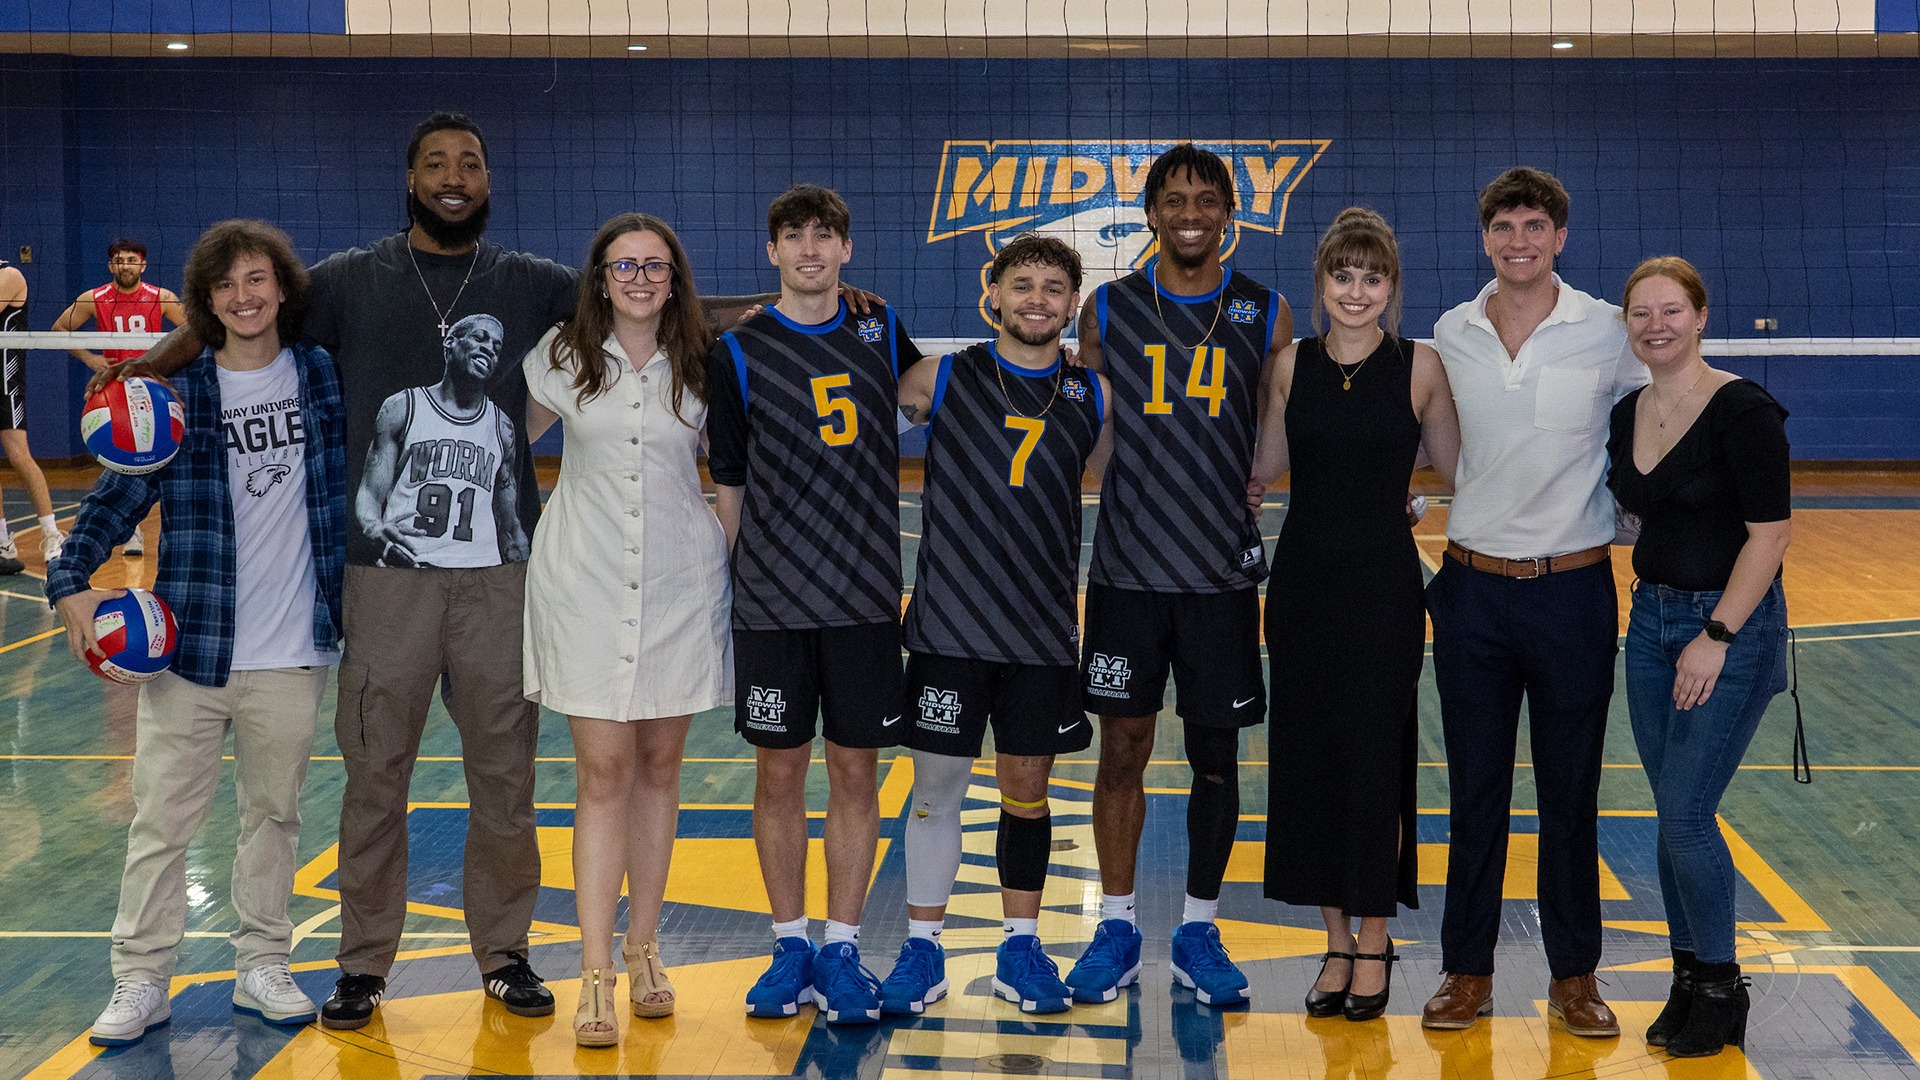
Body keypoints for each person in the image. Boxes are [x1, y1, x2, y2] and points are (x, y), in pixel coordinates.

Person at [104, 113, 573, 1031]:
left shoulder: (529, 281)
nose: (453, 176)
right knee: (376, 779)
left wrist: (783, 304)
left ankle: (505, 952)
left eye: (470, 163)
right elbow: (239, 311)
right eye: (435, 163)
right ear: (410, 179)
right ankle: (362, 964)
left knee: (505, 779)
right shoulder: (353, 279)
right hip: (383, 580)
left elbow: (648, 297)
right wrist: (151, 363)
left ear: (489, 180)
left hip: (499, 581)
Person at [45, 219, 345, 1048]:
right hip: (193, 649)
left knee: (274, 817)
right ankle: (141, 976)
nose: (243, 297)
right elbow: (117, 496)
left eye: (257, 279)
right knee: (161, 823)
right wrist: (69, 584)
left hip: (294, 649)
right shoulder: (179, 395)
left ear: (282, 288)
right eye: (225, 285)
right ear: (206, 301)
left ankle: (263, 963)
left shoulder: (321, 375)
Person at [1065, 143, 1292, 1009]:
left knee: (1215, 757)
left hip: (1220, 577)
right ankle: (1117, 926)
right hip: (1127, 573)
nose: (1189, 213)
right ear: (1151, 212)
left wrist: (1259, 478)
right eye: (1173, 198)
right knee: (1121, 747)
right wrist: (1124, 484)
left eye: (1205, 199)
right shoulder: (1109, 308)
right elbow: (1091, 423)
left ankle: (1199, 928)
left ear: (1228, 213)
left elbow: (1278, 418)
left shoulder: (1264, 311)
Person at [1422, 167, 1646, 1037]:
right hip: (1473, 590)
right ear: (1485, 239)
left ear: (1561, 236)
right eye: (1505, 227)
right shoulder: (1453, 331)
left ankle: (1575, 976)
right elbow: (1433, 437)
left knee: (1570, 797)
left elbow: (1663, 409)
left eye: (1535, 227)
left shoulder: (1608, 330)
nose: (1519, 242)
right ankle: (1466, 971)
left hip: (1572, 593)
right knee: (1474, 793)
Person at [877, 234, 1111, 1017]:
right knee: (935, 792)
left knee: (1026, 793)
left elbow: (1131, 479)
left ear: (1071, 305)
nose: (1036, 298)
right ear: (995, 296)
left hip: (1040, 635)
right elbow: (851, 429)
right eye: (1022, 284)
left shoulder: (1093, 394)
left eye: (1053, 287)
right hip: (948, 628)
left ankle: (1020, 948)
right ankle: (923, 950)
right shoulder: (942, 377)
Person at [706, 184, 917, 1025]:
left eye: (824, 236)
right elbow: (730, 484)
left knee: (857, 771)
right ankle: (789, 943)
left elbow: (941, 392)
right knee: (780, 772)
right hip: (774, 604)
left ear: (845, 249)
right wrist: (735, 591)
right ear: (772, 252)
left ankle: (844, 947)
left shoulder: (879, 328)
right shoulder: (739, 350)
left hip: (863, 599)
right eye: (793, 236)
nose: (809, 249)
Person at [520, 213, 732, 1045]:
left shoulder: (704, 362)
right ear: (600, 279)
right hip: (584, 580)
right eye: (623, 266)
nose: (640, 278)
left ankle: (647, 949)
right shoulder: (561, 356)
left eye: (654, 265)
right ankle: (594, 971)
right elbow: (501, 439)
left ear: (674, 279)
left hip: (680, 579)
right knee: (603, 770)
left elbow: (732, 464)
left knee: (660, 767)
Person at [1249, 207, 1460, 1022]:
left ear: (1392, 286)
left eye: (1373, 277)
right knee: (1309, 764)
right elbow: (1264, 467)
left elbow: (1459, 470)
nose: (1357, 291)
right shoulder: (1289, 365)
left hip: (1382, 591)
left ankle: (1375, 939)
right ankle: (1335, 940)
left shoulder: (1421, 366)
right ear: (1322, 282)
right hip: (1302, 587)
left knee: (1375, 764)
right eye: (1343, 275)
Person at [1608, 256, 1790, 1058]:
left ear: (1702, 315)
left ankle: (1722, 986)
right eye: (1641, 313)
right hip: (1649, 622)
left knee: (1686, 813)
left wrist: (1715, 637)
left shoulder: (1743, 411)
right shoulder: (1630, 411)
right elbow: (1636, 516)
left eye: (1671, 310)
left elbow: (1770, 536)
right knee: (1671, 813)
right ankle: (1688, 980)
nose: (1656, 326)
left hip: (1726, 630)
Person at [355, 312, 529, 566]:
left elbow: (509, 524)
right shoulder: (403, 407)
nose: (489, 348)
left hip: (478, 570)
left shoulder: (502, 427)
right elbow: (371, 493)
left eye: (496, 346)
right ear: (450, 342)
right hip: (412, 562)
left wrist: (520, 571)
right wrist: (374, 530)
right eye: (479, 338)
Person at [51, 238, 188, 558]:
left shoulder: (162, 298)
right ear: (111, 265)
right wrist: (90, 358)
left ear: (143, 265)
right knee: (123, 458)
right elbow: (58, 329)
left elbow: (195, 333)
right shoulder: (94, 298)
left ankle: (172, 530)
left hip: (154, 388)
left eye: (131, 260)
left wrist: (172, 366)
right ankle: (132, 530)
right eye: (119, 260)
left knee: (164, 457)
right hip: (114, 388)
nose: (125, 265)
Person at [0, 256, 64, 569]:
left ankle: (52, 535)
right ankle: (3, 543)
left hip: (5, 382)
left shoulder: (10, 275)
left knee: (18, 455)